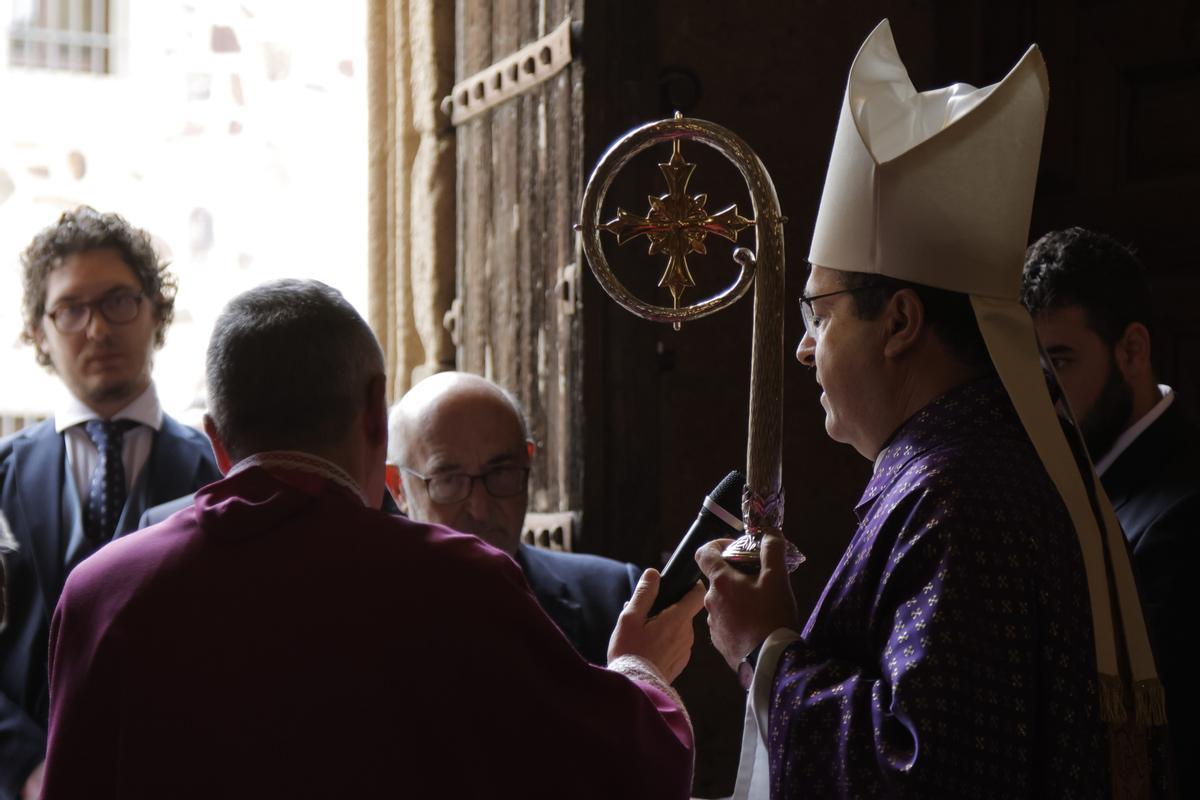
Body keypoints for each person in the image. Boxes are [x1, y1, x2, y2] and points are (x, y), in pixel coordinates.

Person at [696, 20, 1162, 798]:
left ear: (902, 322)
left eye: (821, 315)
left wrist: (765, 649)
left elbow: (925, 771)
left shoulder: (954, 494)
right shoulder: (972, 462)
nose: (806, 349)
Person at [39, 279, 704, 799]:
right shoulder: (457, 581)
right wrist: (640, 671)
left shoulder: (102, 593)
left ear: (216, 440)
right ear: (374, 415)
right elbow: (621, 770)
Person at [0, 207, 220, 800]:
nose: (97, 329)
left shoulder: (217, 475)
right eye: (72, 309)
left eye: (119, 301)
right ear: (40, 331)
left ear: (155, 309)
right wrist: (23, 767)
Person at [1023, 226, 1194, 787]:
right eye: (1032, 372)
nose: (1043, 397)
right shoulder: (1062, 482)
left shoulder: (1183, 518)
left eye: (1061, 361)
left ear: (1133, 350)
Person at [388, 371, 640, 665]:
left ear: (527, 461)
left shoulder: (616, 600)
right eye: (450, 480)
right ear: (397, 489)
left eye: (501, 472)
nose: (480, 509)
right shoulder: (362, 623)